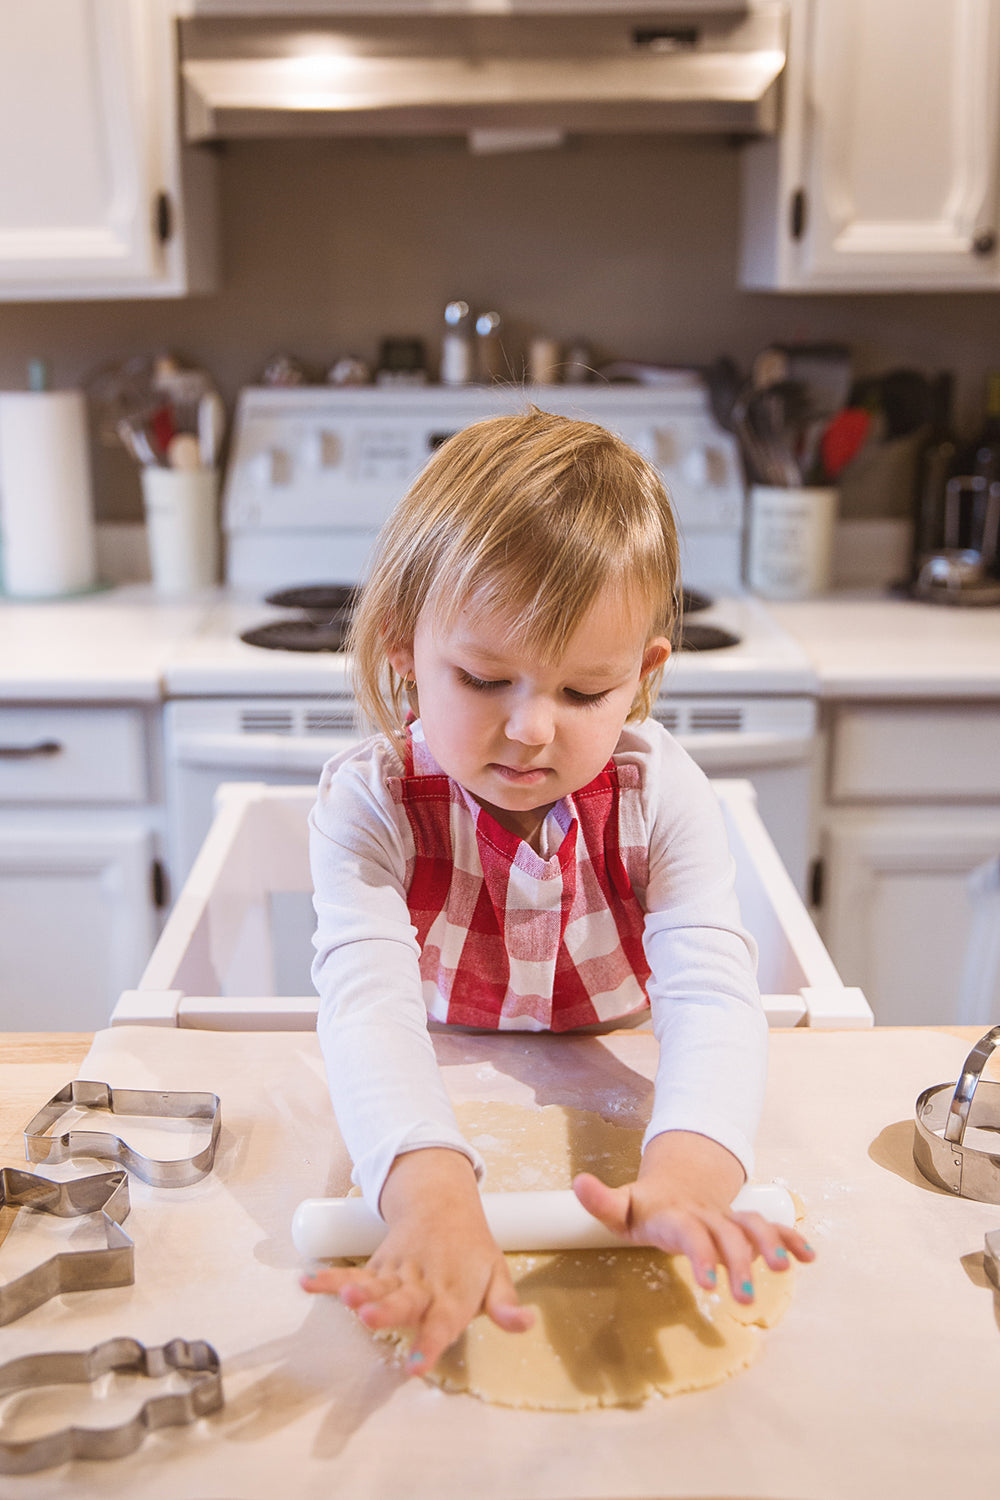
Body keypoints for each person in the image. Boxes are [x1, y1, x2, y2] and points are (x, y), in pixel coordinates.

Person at [301, 408, 813, 1373]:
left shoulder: (661, 797)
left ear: (642, 676)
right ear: (406, 647)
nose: (533, 728)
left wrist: (694, 1169)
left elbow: (709, 998)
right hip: (436, 1066)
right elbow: (368, 1012)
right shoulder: (370, 807)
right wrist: (430, 1193)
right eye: (485, 678)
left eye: (583, 693)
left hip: (612, 1053)